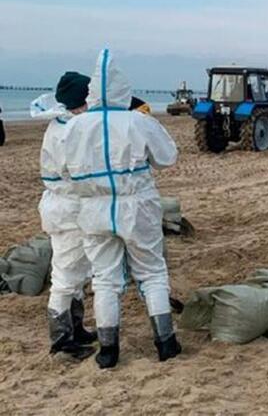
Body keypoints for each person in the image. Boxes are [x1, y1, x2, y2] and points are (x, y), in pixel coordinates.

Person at [61, 49, 180, 369]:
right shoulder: (138, 122)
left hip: (94, 211)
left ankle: (109, 350)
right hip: (137, 207)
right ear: (122, 88)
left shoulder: (74, 127)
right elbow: (168, 158)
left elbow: (64, 171)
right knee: (153, 272)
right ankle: (165, 342)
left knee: (104, 279)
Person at [31, 80, 98, 361]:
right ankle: (61, 341)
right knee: (65, 275)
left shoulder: (64, 125)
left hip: (72, 208)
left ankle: (77, 328)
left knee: (79, 272)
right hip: (67, 210)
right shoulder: (66, 131)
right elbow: (76, 172)